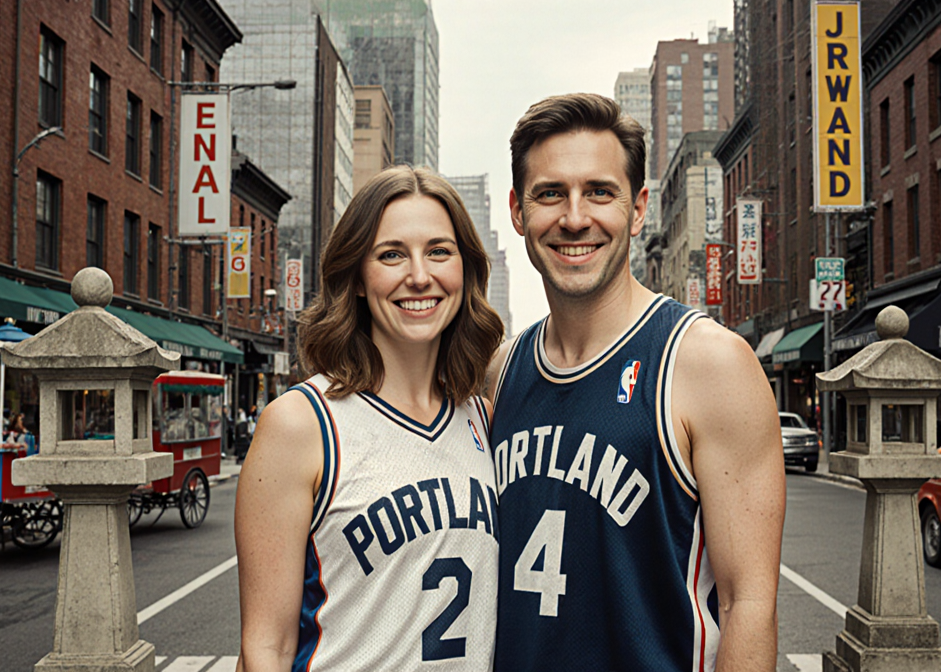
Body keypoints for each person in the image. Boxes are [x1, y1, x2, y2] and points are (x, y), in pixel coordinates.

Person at [487, 93, 786, 672]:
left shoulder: (708, 363)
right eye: (551, 193)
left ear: (639, 207)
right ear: (518, 212)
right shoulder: (501, 372)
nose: (575, 218)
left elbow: (749, 605)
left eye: (600, 191)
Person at [235, 166, 505, 672]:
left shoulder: (483, 419)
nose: (419, 275)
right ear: (358, 278)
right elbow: (264, 650)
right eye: (391, 254)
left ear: (464, 271)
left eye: (439, 252)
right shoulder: (302, 424)